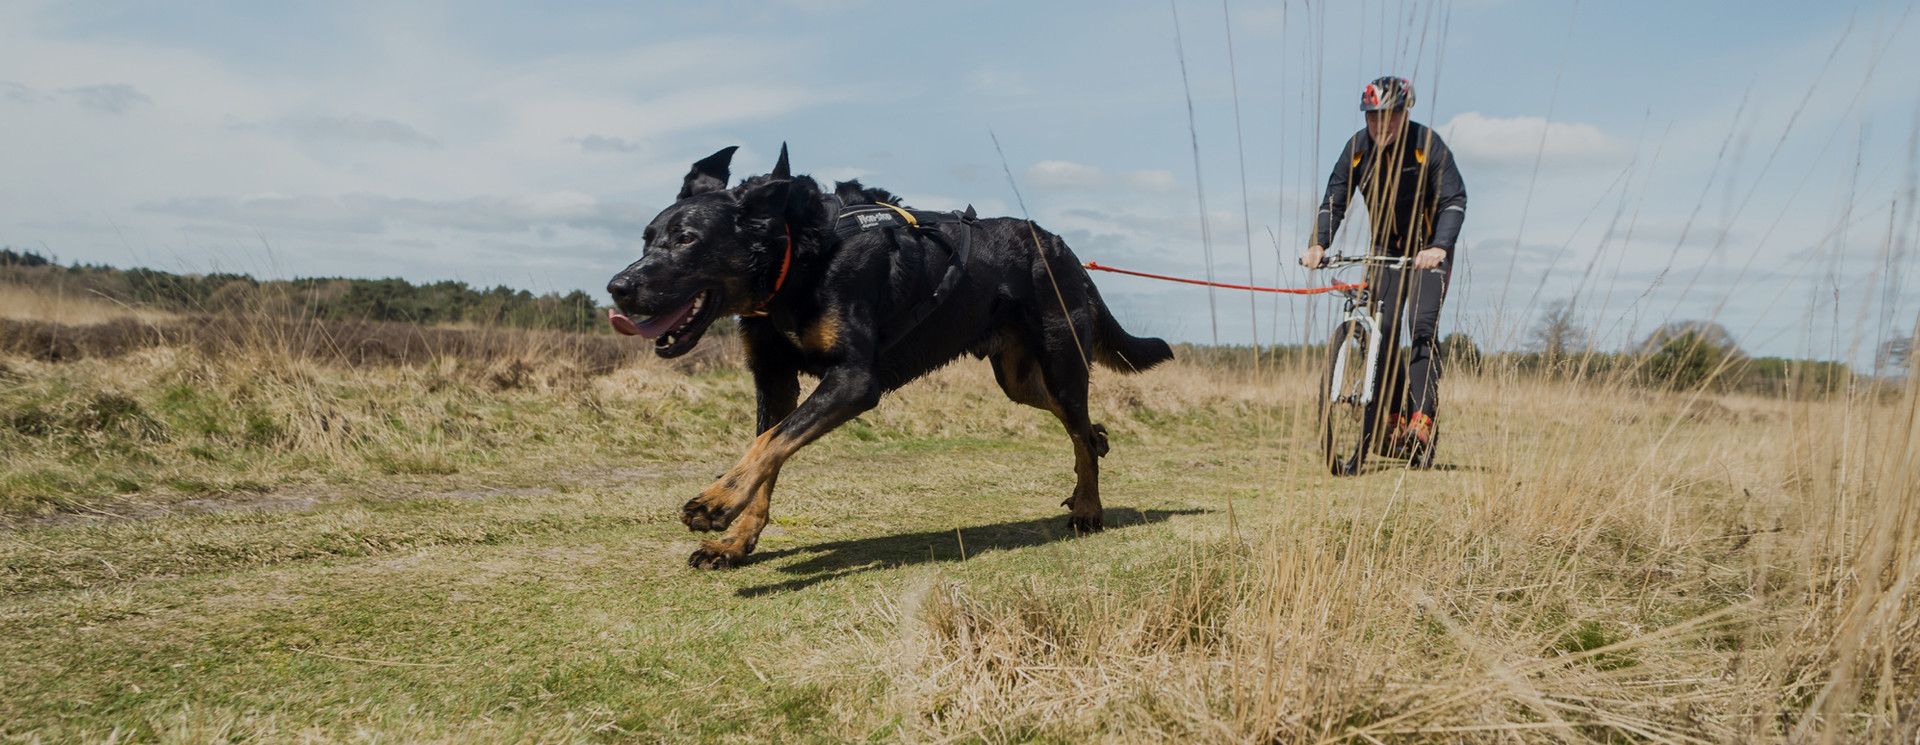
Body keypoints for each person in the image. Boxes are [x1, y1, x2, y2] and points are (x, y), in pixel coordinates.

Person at [1301, 76, 1466, 461]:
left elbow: (1454, 200)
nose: (1380, 126)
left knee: (1421, 328)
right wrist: (1319, 243)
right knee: (1384, 332)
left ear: (1405, 112)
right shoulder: (1357, 148)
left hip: (1427, 254)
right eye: (1373, 117)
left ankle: (1422, 419)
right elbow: (1335, 197)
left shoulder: (1428, 146)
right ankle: (1392, 418)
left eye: (1388, 117)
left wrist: (1439, 246)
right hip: (1384, 254)